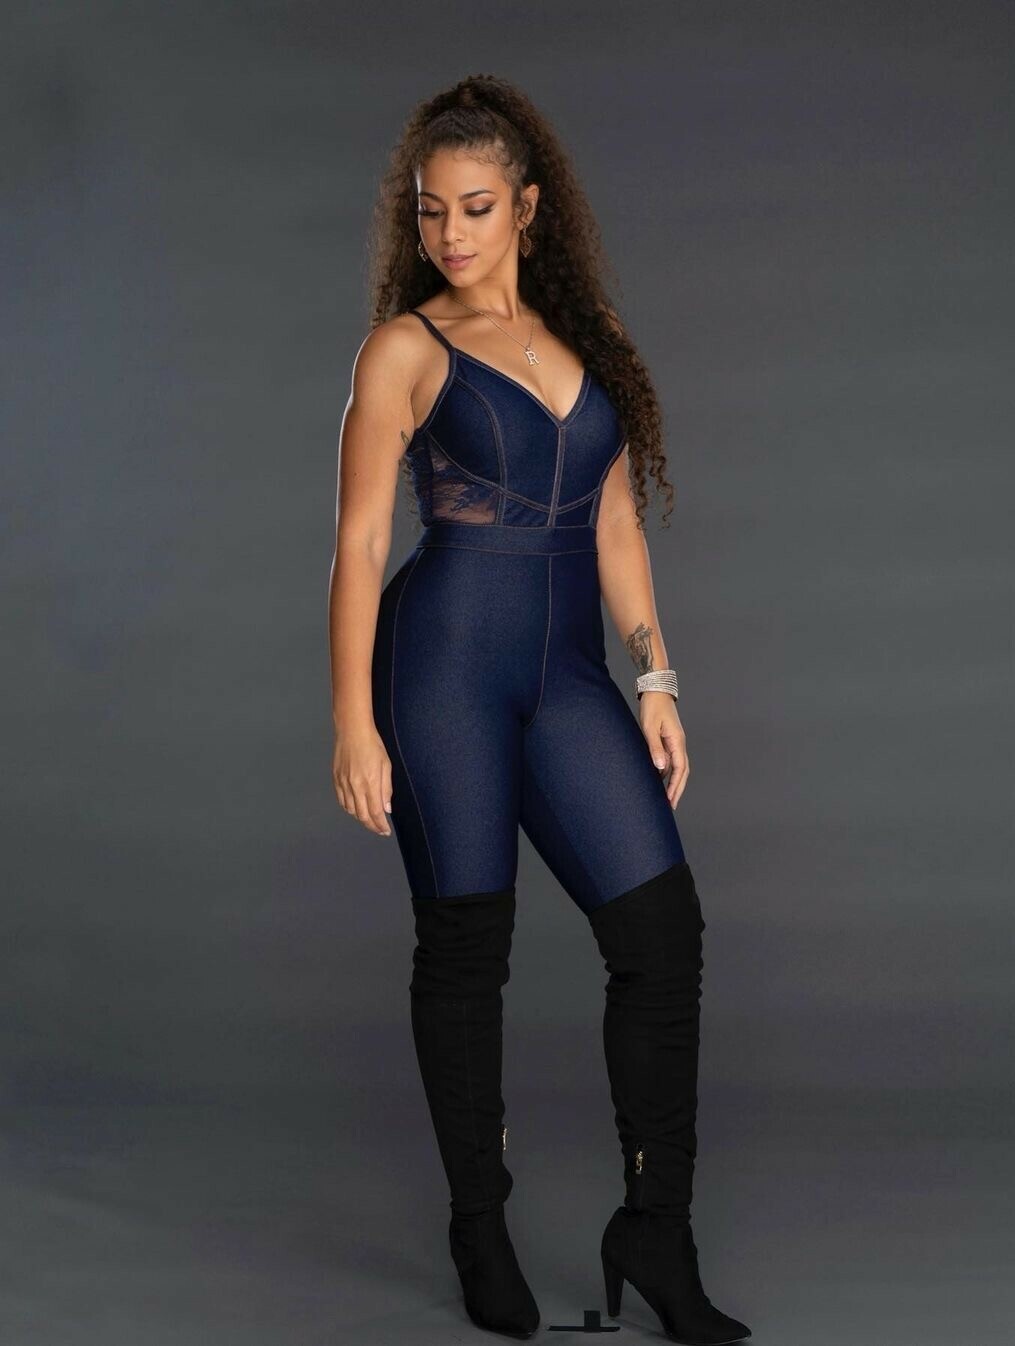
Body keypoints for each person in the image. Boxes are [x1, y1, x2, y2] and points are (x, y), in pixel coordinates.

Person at [328, 74, 752, 1345]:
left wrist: (656, 673)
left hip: (568, 680)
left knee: (662, 936)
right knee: (468, 947)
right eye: (429, 211)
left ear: (526, 207)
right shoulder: (405, 350)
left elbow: (614, 516)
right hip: (442, 671)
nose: (449, 234)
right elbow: (360, 543)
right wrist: (352, 718)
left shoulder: (586, 333)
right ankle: (480, 1222)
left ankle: (656, 1228)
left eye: (474, 208)